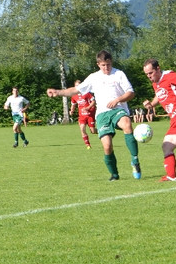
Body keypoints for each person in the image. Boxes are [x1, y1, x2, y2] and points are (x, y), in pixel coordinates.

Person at [47, 50, 141, 181]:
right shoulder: (93, 77)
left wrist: (117, 100)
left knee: (127, 124)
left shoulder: (119, 74)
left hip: (117, 109)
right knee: (107, 146)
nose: (106, 68)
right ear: (98, 64)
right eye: (103, 65)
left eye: (108, 64)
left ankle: (135, 161)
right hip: (102, 114)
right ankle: (114, 174)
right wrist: (58, 92)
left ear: (111, 62)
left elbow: (131, 93)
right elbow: (75, 90)